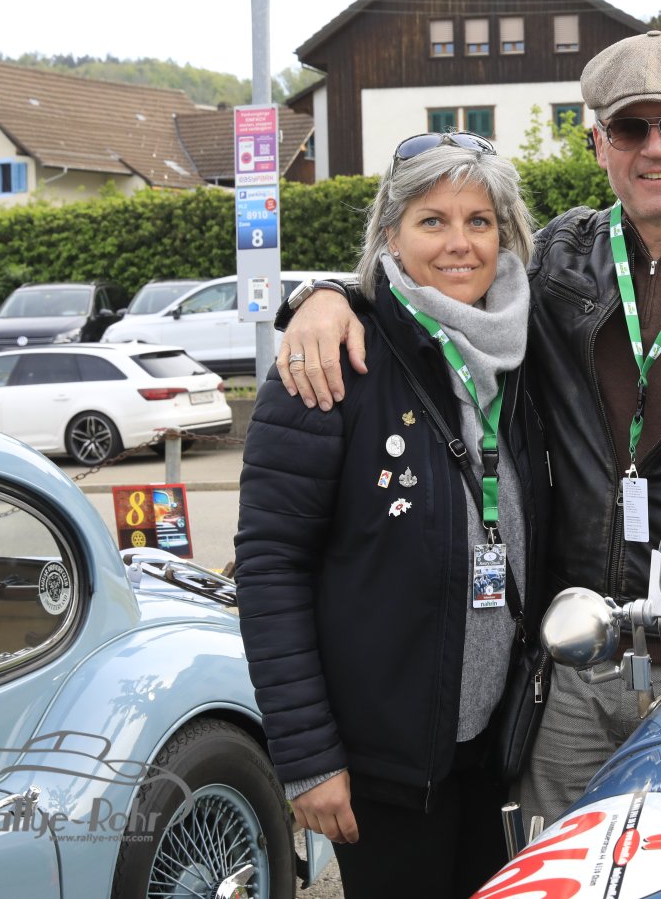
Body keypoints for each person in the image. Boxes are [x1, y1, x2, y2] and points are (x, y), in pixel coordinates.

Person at [273, 30, 661, 822]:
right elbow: (433, 281)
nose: (656, 148)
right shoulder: (554, 262)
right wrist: (328, 296)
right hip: (576, 657)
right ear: (600, 145)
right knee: (566, 866)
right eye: (630, 128)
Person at [232, 136, 548, 898]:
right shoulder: (333, 358)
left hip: (496, 752)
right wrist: (308, 757)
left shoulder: (524, 350)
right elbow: (270, 567)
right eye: (432, 220)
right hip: (382, 767)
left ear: (504, 234)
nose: (459, 242)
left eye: (478, 220)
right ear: (391, 235)